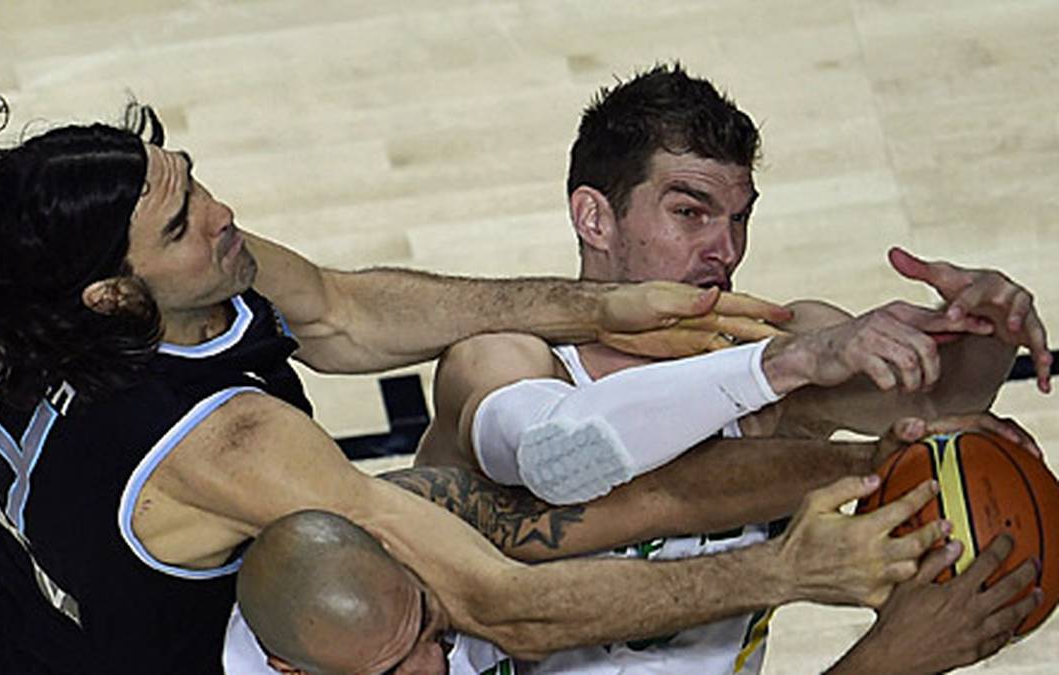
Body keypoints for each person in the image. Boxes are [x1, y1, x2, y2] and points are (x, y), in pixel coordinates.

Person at [0, 71, 934, 674]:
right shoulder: (232, 445)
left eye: (192, 184)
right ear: (115, 297)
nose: (225, 217)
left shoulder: (58, 292)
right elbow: (504, 607)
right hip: (98, 662)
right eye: (184, 221)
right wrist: (784, 576)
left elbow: (342, 310)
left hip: (6, 589)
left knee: (458, 507)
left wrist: (594, 305)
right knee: (424, 578)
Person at [413, 63, 1050, 672]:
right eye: (689, 212)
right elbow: (558, 453)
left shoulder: (787, 346)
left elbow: (935, 415)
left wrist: (988, 330)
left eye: (739, 217)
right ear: (595, 217)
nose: (726, 248)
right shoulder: (501, 355)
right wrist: (780, 365)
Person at [224, 507, 1042, 674]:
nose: (432, 672)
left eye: (432, 633)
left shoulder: (354, 583)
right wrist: (889, 660)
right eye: (392, 671)